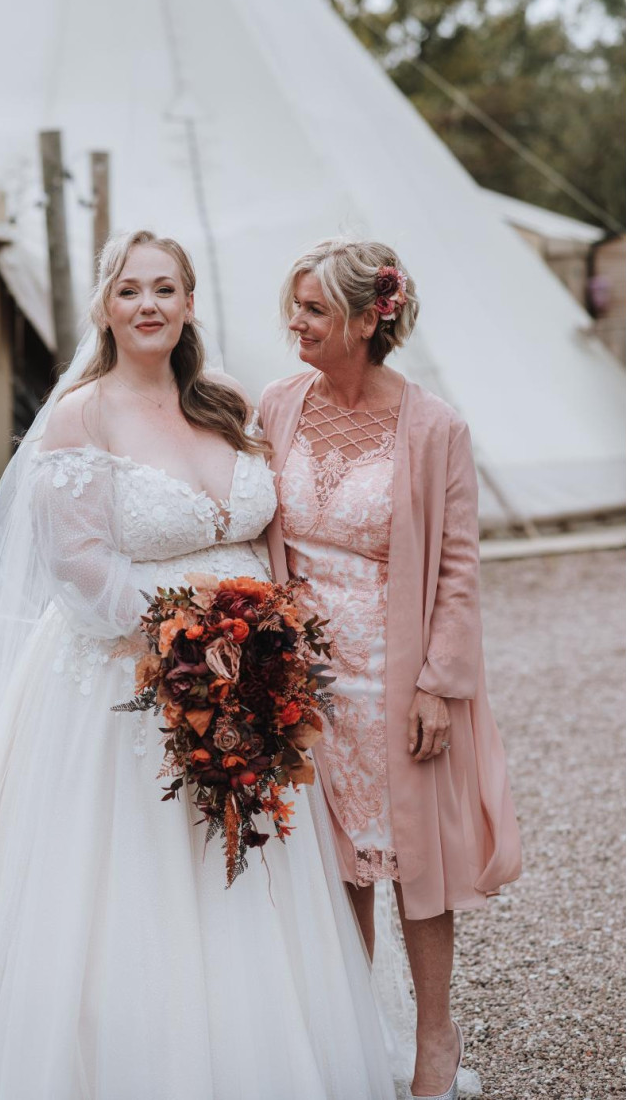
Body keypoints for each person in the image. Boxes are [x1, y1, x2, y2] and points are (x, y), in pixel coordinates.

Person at [0, 230, 397, 1100]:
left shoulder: (225, 401)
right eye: (130, 290)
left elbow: (263, 528)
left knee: (241, 877)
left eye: (166, 289)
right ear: (105, 305)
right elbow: (81, 570)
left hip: (249, 674)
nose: (148, 306)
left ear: (191, 302)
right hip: (122, 685)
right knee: (130, 891)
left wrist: (261, 642)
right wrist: (191, 636)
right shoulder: (80, 415)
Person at [260, 238, 522, 1100]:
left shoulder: (436, 425)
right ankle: (348, 1040)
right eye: (295, 305)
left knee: (415, 862)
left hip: (392, 670)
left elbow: (457, 567)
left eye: (313, 310)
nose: (294, 323)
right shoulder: (277, 404)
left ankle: (435, 1041)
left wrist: (439, 685)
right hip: (300, 674)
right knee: (331, 869)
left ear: (370, 319)